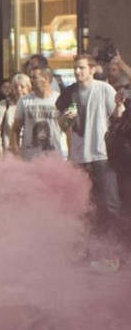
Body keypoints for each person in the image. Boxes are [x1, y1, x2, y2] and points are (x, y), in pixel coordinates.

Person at [57, 54, 121, 270]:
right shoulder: (69, 93)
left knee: (110, 205)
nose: (77, 72)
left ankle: (114, 254)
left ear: (93, 69)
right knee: (84, 208)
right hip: (79, 157)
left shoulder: (104, 89)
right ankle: (87, 250)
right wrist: (67, 117)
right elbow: (61, 123)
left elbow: (118, 116)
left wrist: (120, 106)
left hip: (102, 155)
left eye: (82, 68)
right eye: (75, 68)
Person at [10, 67, 61, 161]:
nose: (31, 80)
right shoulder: (24, 101)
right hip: (30, 159)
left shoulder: (60, 99)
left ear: (46, 79)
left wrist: (70, 155)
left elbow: (69, 129)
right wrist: (16, 154)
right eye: (31, 77)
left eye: (34, 77)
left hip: (54, 159)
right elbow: (15, 130)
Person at [0, 72, 31, 156]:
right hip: (9, 153)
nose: (19, 90)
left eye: (22, 87)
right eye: (16, 87)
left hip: (29, 152)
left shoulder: (33, 105)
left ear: (28, 88)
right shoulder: (4, 105)